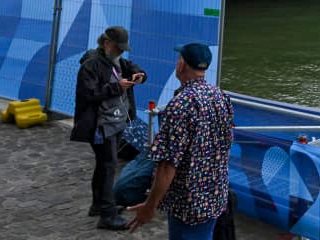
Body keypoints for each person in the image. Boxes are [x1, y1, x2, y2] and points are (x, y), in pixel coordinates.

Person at [127, 42, 233, 238]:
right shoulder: (220, 96)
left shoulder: (180, 105)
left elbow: (167, 165)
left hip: (187, 203)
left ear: (182, 64)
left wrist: (150, 205)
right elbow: (226, 143)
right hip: (215, 195)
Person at [71, 26, 147, 231]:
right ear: (106, 43)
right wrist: (117, 87)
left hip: (115, 120)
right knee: (108, 165)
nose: (121, 52)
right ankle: (107, 214)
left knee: (104, 164)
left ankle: (99, 204)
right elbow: (89, 93)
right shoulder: (91, 64)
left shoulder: (117, 60)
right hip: (100, 124)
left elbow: (132, 66)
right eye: (118, 48)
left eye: (123, 49)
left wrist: (140, 74)